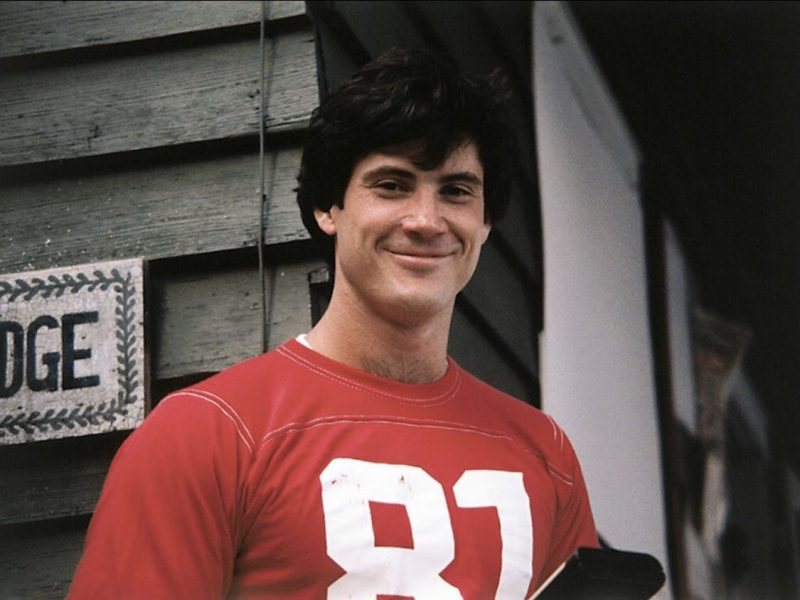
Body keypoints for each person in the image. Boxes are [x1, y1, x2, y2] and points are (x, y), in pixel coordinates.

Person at [69, 47, 598, 599]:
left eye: (456, 191)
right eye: (392, 185)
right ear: (328, 208)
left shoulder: (545, 452)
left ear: (485, 222)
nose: (426, 220)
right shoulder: (209, 432)